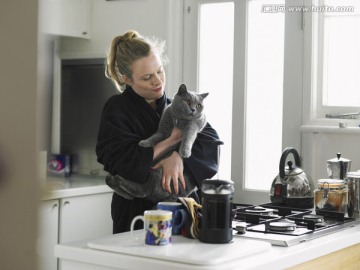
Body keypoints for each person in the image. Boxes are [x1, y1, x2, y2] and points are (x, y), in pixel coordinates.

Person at [96, 30, 222, 234]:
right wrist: (170, 142)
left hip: (185, 210)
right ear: (127, 79)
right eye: (147, 77)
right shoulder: (116, 109)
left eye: (160, 71)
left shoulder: (175, 107)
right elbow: (121, 160)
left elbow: (211, 143)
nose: (158, 81)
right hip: (137, 213)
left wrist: (178, 158)